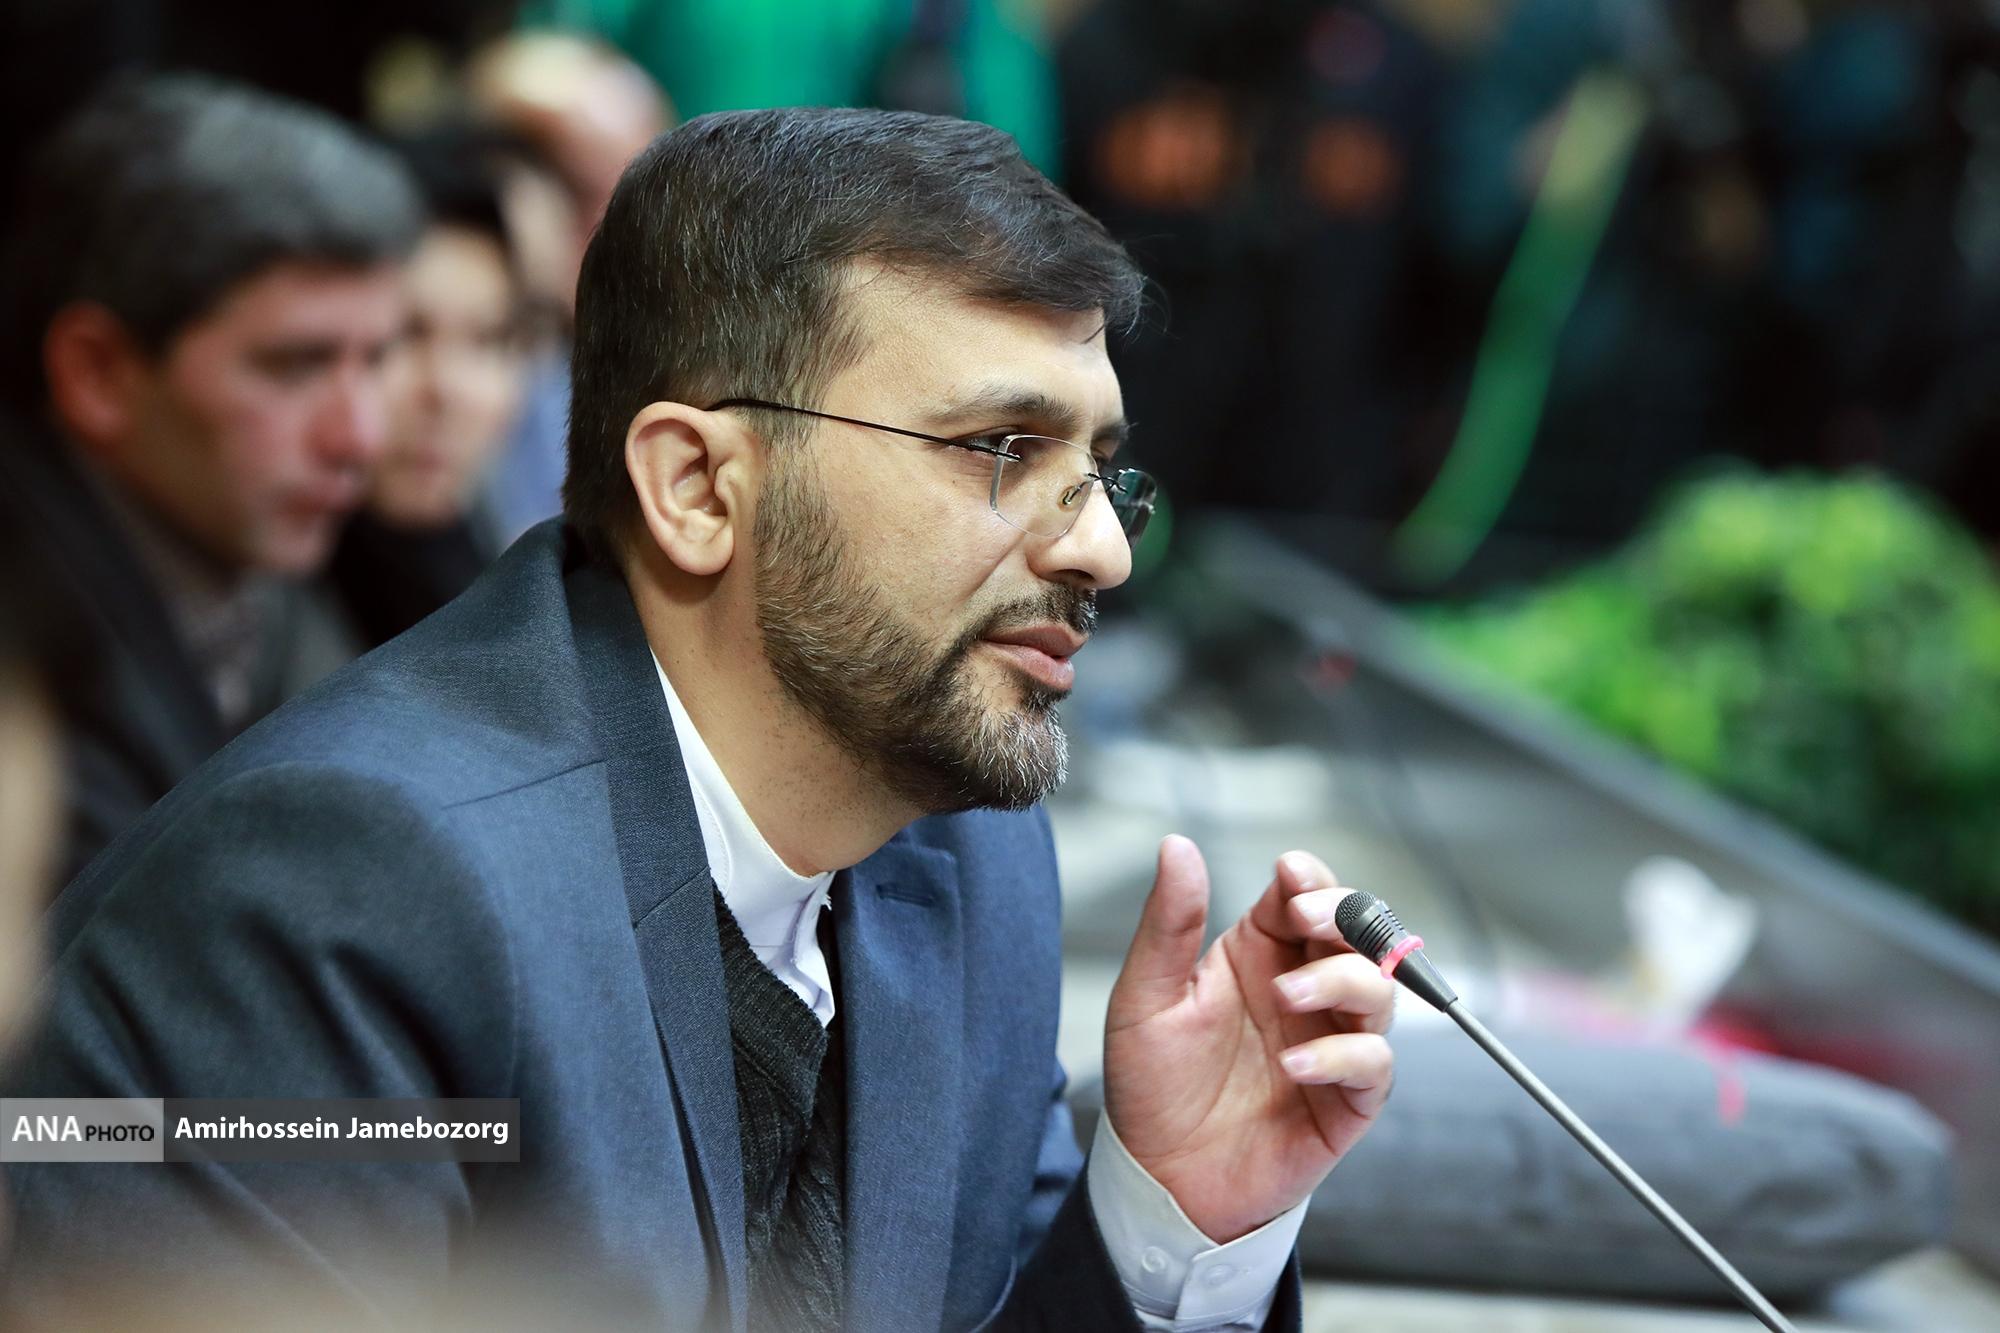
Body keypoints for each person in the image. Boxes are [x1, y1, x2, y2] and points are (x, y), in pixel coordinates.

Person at [5, 109, 1396, 1331]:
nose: (1103, 549)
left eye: (1098, 471)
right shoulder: (346, 890)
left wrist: (1174, 1217)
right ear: (695, 487)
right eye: (999, 449)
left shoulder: (968, 862)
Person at [0, 75, 422, 887]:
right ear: (97, 373)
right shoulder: (27, 674)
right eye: (295, 365)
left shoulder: (264, 575)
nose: (361, 437)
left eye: (377, 359)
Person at [329, 126, 533, 648]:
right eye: (404, 333)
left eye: (488, 340)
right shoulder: (254, 629)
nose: (445, 391)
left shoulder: (510, 588)